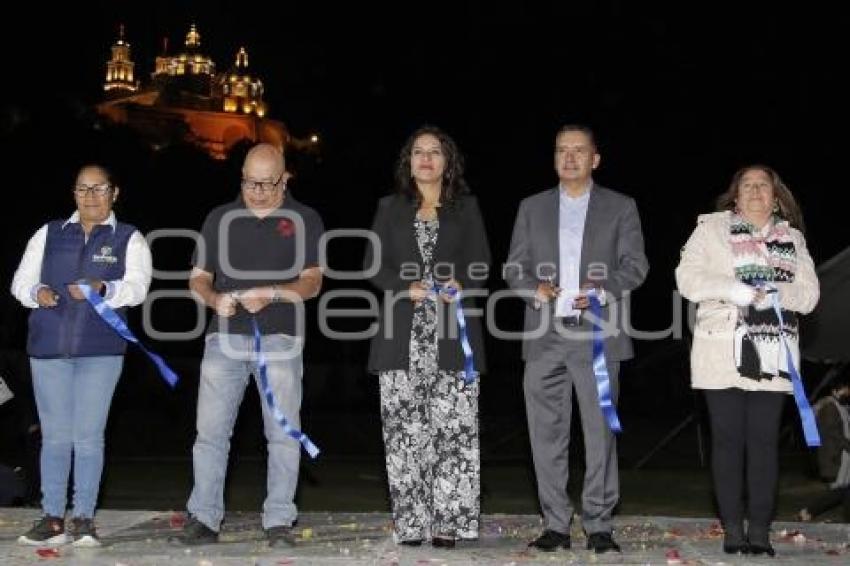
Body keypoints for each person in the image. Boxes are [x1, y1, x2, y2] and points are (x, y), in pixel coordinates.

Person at [170, 143, 324, 547]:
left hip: (281, 336)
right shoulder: (219, 217)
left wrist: (273, 293)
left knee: (283, 432)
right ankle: (204, 517)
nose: (255, 190)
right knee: (211, 431)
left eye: (265, 183)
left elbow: (312, 281)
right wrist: (212, 298)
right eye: (248, 181)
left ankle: (278, 520)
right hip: (224, 336)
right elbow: (198, 277)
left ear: (284, 178)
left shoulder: (305, 218)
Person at [504, 125, 648, 553]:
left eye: (578, 151)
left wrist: (602, 292)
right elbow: (514, 267)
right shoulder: (531, 207)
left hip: (597, 334)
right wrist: (535, 289)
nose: (569, 158)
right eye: (561, 151)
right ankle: (555, 524)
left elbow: (636, 265)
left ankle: (599, 523)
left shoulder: (621, 207)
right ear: (553, 159)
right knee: (545, 433)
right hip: (544, 335)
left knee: (599, 431)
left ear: (595, 159)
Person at [676, 165, 820, 555]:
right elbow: (686, 278)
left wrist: (775, 293)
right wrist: (734, 290)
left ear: (776, 197)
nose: (755, 190)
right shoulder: (711, 229)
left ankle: (759, 531)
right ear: (735, 196)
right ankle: (732, 531)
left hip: (773, 354)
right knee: (726, 441)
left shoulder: (792, 239)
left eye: (763, 185)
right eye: (747, 185)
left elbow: (809, 295)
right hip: (720, 347)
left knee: (762, 443)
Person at [10, 164, 153, 546]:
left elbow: (138, 288)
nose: (90, 196)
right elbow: (19, 282)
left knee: (88, 437)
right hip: (48, 349)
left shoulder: (129, 238)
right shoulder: (49, 233)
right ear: (73, 193)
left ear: (114, 193)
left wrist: (104, 286)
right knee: (55, 438)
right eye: (82, 189)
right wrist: (37, 292)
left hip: (101, 352)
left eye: (99, 189)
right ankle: (52, 517)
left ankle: (84, 518)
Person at [365, 125, 490, 548]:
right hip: (401, 332)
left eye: (434, 152)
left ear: (447, 161)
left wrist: (461, 282)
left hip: (453, 332)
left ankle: (448, 523)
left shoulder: (466, 208)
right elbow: (373, 265)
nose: (425, 158)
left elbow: (481, 264)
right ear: (408, 161)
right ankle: (412, 524)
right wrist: (406, 289)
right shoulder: (388, 207)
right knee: (404, 433)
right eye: (417, 151)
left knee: (453, 430)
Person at [798, 375, 850, 522]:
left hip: (842, 456)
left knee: (845, 489)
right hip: (835, 456)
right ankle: (808, 511)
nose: (848, 393)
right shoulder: (829, 407)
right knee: (839, 491)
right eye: (846, 390)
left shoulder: (841, 407)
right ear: (835, 390)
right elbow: (833, 433)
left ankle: (847, 521)